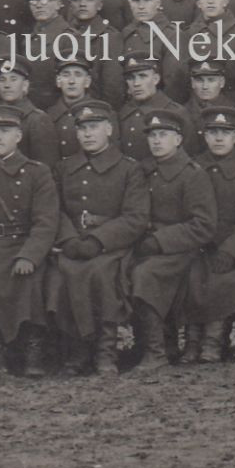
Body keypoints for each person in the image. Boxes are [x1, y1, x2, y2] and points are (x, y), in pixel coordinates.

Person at [49, 99, 151, 377]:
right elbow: (52, 210)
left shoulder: (128, 168)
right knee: (63, 273)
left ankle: (106, 350)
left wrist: (98, 240)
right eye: (82, 129)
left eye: (94, 127)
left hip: (110, 247)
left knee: (101, 273)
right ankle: (79, 349)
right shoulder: (64, 167)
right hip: (72, 244)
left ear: (109, 129)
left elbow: (135, 217)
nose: (88, 134)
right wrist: (68, 238)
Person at [0, 105, 62, 378]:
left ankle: (31, 350)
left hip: (23, 244)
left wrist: (30, 255)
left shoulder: (37, 172)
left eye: (4, 131)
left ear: (18, 135)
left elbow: (46, 220)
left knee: (31, 280)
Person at [127, 110, 219, 372]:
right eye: (153, 135)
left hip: (180, 250)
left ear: (178, 140)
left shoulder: (192, 174)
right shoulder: (143, 170)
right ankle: (156, 343)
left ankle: (155, 352)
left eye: (164, 135)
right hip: (144, 244)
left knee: (145, 274)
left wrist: (160, 241)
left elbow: (203, 225)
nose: (157, 141)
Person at [183, 106, 235, 363]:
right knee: (191, 274)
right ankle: (192, 340)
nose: (219, 138)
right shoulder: (192, 167)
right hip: (197, 242)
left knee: (223, 278)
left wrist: (231, 250)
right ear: (204, 136)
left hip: (231, 245)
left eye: (226, 132)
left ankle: (214, 340)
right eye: (213, 132)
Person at [119, 57, 186, 163]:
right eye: (131, 78)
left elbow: (187, 155)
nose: (136, 83)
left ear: (155, 79)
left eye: (142, 76)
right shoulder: (123, 111)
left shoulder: (176, 112)